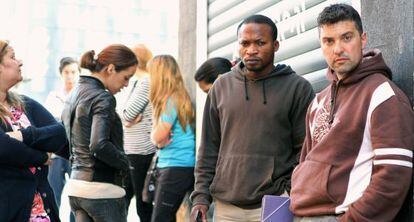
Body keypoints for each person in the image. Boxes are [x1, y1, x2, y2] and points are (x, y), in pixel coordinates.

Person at [290, 4, 414, 222]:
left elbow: (394, 174)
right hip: (303, 215)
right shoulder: (318, 102)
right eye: (329, 41)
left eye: (346, 38)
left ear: (363, 39)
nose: (338, 48)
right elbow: (305, 163)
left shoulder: (383, 95)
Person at [190, 14, 315, 222]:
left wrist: (288, 190)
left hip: (274, 204)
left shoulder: (297, 88)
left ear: (275, 45)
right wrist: (201, 198)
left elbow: (306, 149)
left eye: (260, 43)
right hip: (226, 207)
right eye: (245, 43)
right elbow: (209, 148)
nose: (251, 50)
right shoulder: (221, 87)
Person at [61, 44, 138, 222]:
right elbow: (98, 145)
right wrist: (125, 163)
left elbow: (67, 141)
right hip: (102, 190)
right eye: (126, 77)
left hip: (76, 188)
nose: (126, 84)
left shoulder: (74, 94)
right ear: (111, 69)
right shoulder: (102, 97)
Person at [0, 40, 67, 221]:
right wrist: (43, 156)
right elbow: (4, 148)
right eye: (13, 57)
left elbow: (59, 134)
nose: (20, 62)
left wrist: (23, 135)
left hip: (45, 208)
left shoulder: (25, 103)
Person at [148, 55, 196, 222]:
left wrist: (155, 136)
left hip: (175, 166)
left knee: (161, 219)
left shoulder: (171, 100)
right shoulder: (179, 97)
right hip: (178, 165)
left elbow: (158, 136)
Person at [117, 44, 156, 222]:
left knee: (143, 204)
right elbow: (119, 114)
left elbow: (127, 113)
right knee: (123, 200)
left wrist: (125, 118)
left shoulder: (147, 82)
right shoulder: (136, 83)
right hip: (131, 150)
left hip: (141, 151)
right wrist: (125, 119)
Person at [45, 57, 80, 222]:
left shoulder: (82, 96)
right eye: (66, 72)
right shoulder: (54, 97)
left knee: (77, 197)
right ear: (61, 74)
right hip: (57, 155)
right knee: (54, 194)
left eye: (73, 72)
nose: (70, 76)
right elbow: (49, 124)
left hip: (77, 155)